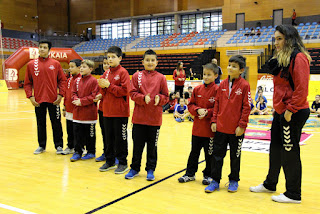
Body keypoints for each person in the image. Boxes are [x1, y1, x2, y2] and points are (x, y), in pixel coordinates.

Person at [250, 25, 311, 204]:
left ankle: (293, 193)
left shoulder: (299, 58)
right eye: (275, 39)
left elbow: (302, 89)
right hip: (280, 111)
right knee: (275, 149)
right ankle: (270, 183)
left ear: (289, 39)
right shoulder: (282, 57)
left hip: (293, 111)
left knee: (289, 152)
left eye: (279, 39)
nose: (275, 42)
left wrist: (290, 111)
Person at [205, 55, 251, 193]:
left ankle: (233, 180)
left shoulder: (245, 85)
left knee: (235, 157)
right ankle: (215, 181)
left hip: (236, 129)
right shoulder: (222, 84)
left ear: (241, 70)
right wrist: (214, 120)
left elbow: (247, 107)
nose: (230, 68)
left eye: (234, 66)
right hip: (221, 127)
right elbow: (217, 104)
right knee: (217, 156)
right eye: (229, 65)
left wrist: (242, 125)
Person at [125, 49, 169, 181]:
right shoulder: (136, 75)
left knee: (152, 147)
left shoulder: (161, 77)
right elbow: (132, 93)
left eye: (152, 60)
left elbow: (166, 97)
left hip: (154, 120)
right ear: (142, 62)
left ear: (157, 62)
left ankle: (150, 169)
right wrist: (143, 98)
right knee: (137, 146)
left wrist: (159, 99)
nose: (150, 62)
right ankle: (134, 168)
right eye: (147, 60)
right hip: (139, 119)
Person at [178, 63, 219, 185]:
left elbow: (219, 108)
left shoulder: (217, 90)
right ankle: (190, 174)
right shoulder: (197, 89)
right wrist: (197, 110)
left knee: (209, 153)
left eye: (209, 74)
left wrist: (208, 112)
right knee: (194, 152)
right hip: (197, 129)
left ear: (215, 76)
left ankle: (208, 175)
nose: (206, 77)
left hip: (210, 130)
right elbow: (190, 105)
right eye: (204, 74)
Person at [24, 40, 66, 154]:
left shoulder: (55, 64)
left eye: (44, 47)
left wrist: (60, 94)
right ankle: (41, 146)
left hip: (54, 100)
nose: (42, 49)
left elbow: (62, 80)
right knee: (40, 123)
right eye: (40, 47)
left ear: (49, 50)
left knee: (56, 123)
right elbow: (27, 83)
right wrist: (30, 97)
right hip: (38, 100)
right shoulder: (31, 65)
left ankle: (59, 146)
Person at [98, 46, 130, 174]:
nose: (110, 59)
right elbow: (103, 90)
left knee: (120, 138)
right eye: (108, 57)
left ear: (120, 58)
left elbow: (125, 91)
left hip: (120, 112)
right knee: (108, 137)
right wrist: (102, 88)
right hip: (107, 110)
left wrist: (109, 86)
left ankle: (122, 163)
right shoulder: (106, 73)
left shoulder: (123, 72)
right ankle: (110, 161)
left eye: (113, 57)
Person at [70, 60, 99, 161]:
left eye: (84, 67)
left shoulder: (94, 81)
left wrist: (81, 101)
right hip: (78, 114)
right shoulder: (77, 80)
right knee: (77, 135)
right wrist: (75, 100)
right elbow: (73, 93)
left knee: (90, 135)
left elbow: (93, 96)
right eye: (81, 66)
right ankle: (78, 152)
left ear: (91, 69)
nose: (81, 68)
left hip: (89, 114)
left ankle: (91, 152)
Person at [62, 59, 82, 155]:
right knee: (69, 129)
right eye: (69, 67)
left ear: (79, 67)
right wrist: (64, 107)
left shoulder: (82, 79)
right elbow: (66, 94)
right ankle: (70, 146)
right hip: (69, 109)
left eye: (72, 67)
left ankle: (80, 147)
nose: (70, 69)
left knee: (78, 130)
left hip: (78, 110)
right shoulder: (69, 80)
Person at [94, 57, 109, 162]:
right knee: (104, 133)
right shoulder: (101, 77)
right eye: (104, 63)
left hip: (113, 110)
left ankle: (116, 154)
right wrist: (99, 95)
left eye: (108, 63)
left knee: (113, 135)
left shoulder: (118, 75)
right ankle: (106, 152)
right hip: (102, 109)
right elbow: (99, 91)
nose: (106, 65)